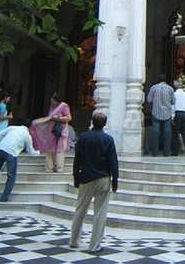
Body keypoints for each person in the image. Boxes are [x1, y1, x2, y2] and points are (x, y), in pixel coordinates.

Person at [71, 112, 119, 253]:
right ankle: (94, 245)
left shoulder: (84, 137)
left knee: (80, 209)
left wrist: (76, 177)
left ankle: (74, 241)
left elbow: (77, 160)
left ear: (92, 122)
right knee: (100, 213)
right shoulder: (108, 139)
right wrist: (115, 180)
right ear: (104, 124)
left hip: (85, 178)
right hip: (103, 178)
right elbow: (113, 162)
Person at [0, 125, 39, 202]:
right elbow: (30, 151)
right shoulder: (27, 135)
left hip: (0, 150)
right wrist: (38, 153)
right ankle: (4, 198)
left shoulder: (12, 128)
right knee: (11, 177)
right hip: (12, 154)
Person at [30, 94, 72, 172]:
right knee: (49, 148)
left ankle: (59, 167)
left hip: (60, 130)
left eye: (52, 100)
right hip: (51, 130)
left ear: (56, 101)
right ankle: (49, 167)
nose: (51, 101)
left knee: (59, 149)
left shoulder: (64, 106)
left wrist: (58, 118)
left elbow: (69, 118)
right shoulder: (52, 107)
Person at [146, 75, 174, 156]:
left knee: (155, 132)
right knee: (167, 132)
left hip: (156, 112)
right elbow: (173, 101)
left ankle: (155, 152)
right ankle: (166, 152)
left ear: (158, 80)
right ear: (166, 80)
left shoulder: (153, 88)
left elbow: (149, 100)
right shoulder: (170, 89)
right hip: (167, 113)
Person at [171, 80, 185, 157]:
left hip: (177, 113)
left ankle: (175, 151)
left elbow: (172, 106)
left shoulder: (174, 94)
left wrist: (172, 116)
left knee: (175, 134)